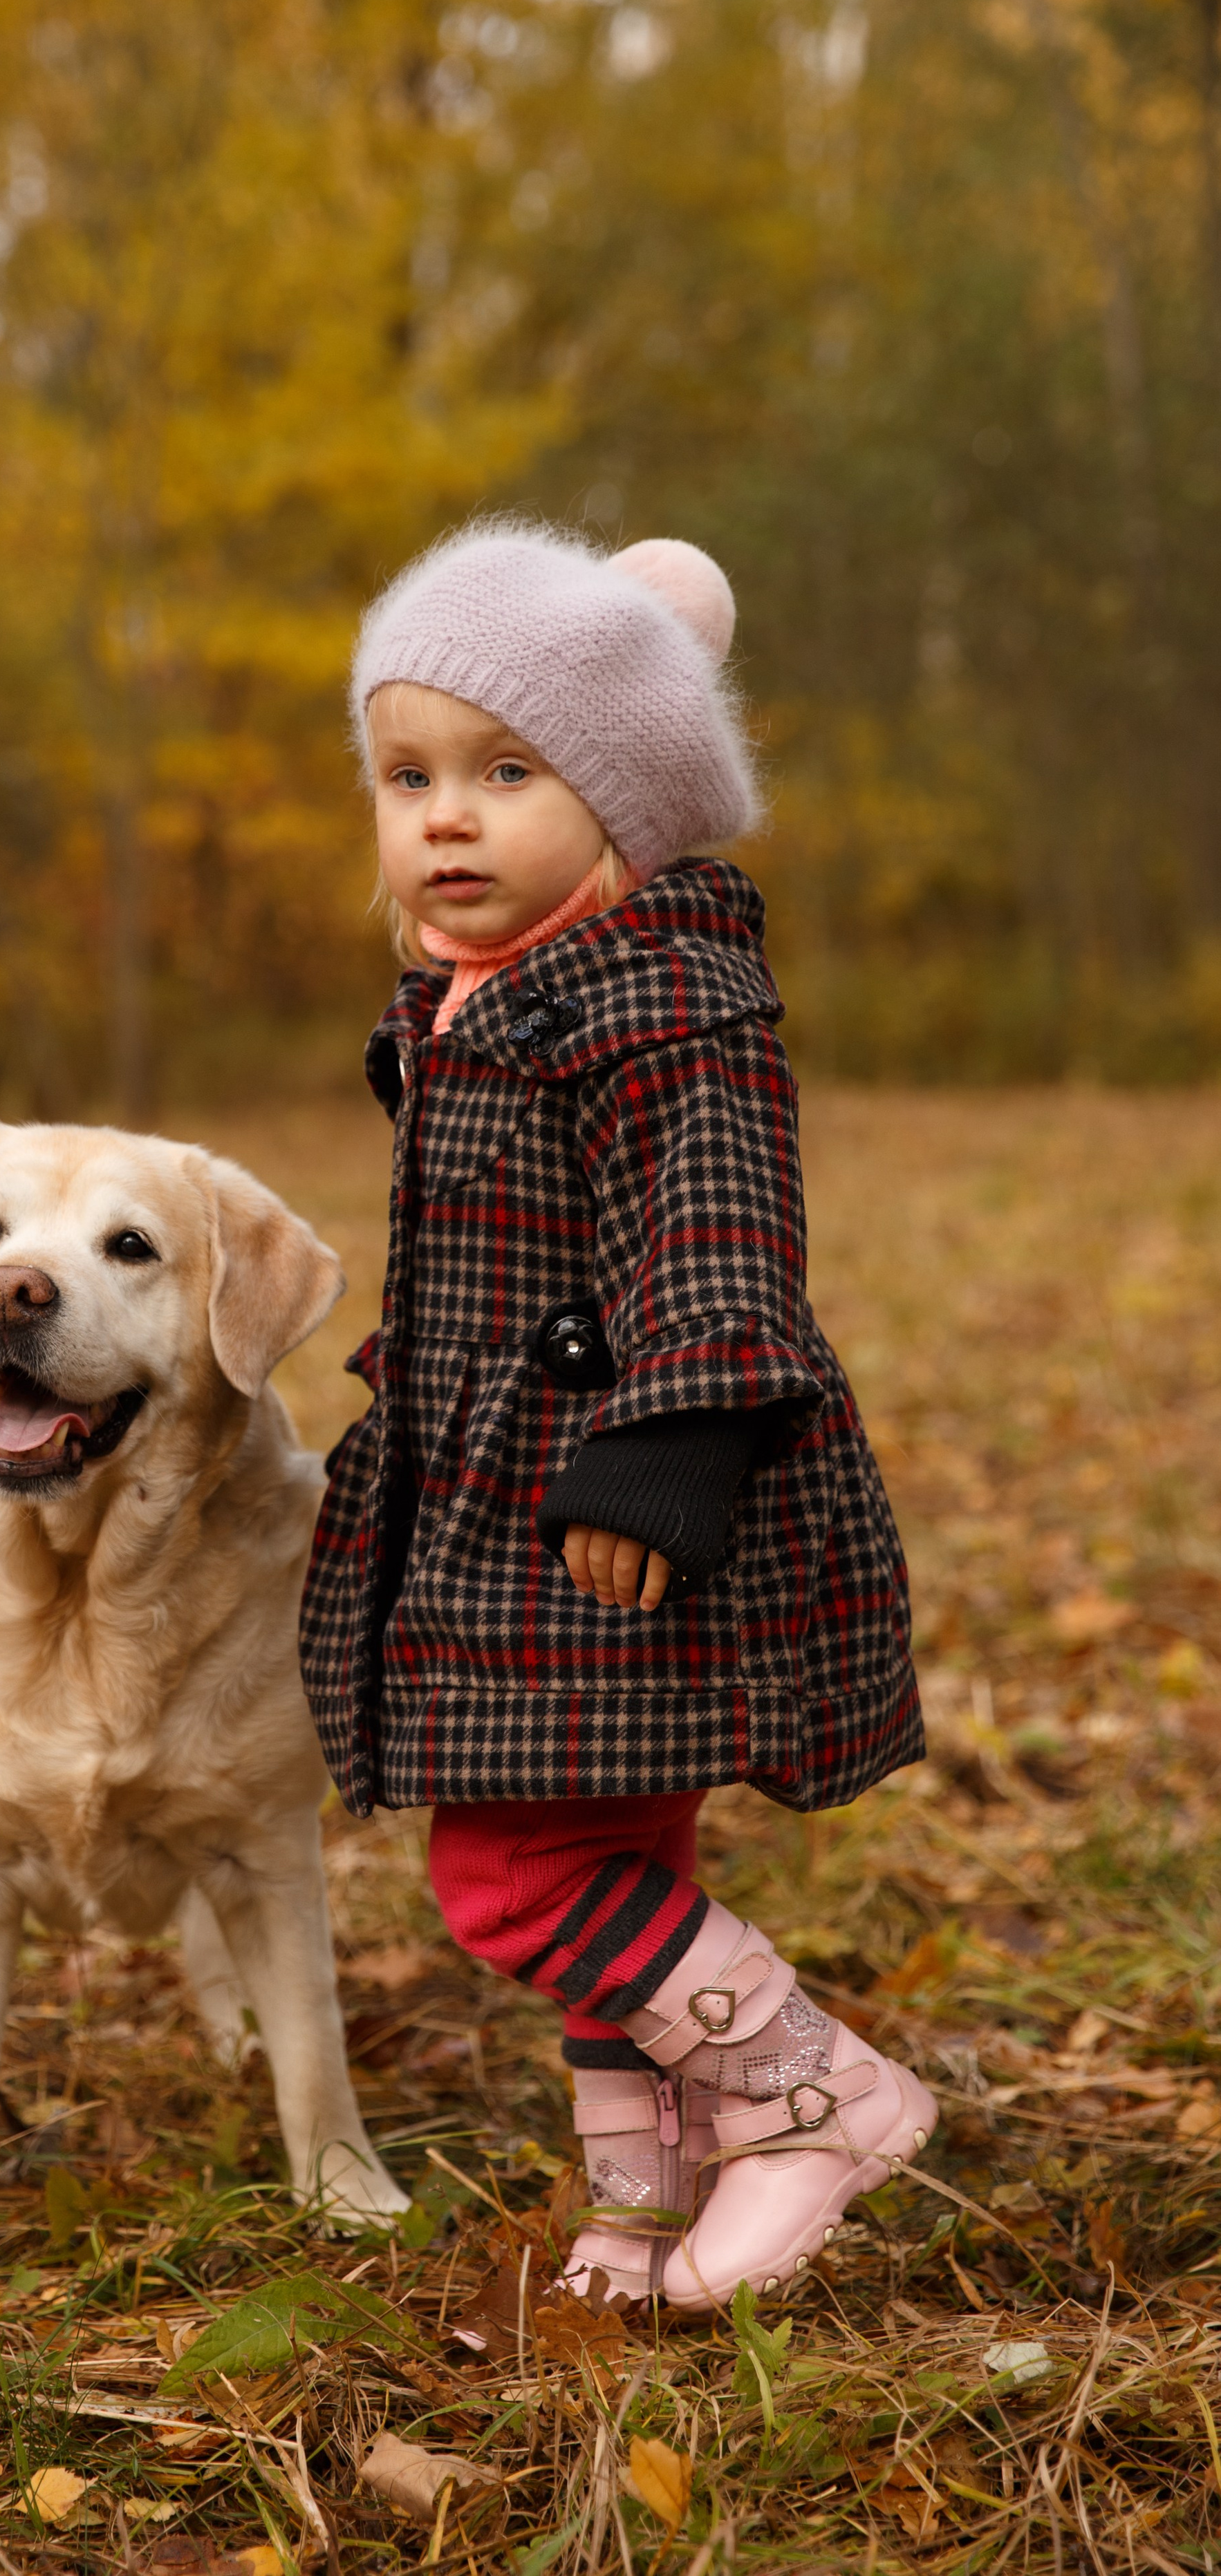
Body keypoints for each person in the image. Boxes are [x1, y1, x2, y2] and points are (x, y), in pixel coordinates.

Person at [299, 520, 936, 2311]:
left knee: (511, 1873)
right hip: (520, 1502)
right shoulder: (474, 998)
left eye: (508, 771)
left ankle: (814, 2090)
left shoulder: (664, 996)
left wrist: (667, 1448)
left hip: (626, 1492)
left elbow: (721, 1225)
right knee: (604, 1829)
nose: (444, 814)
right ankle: (639, 2193)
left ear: (625, 803)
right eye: (407, 772)